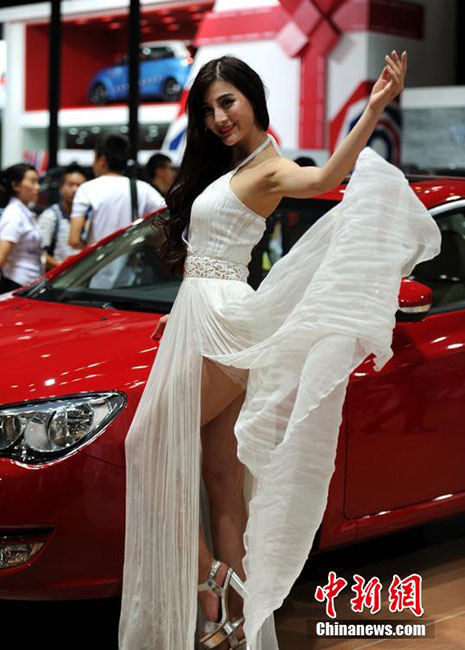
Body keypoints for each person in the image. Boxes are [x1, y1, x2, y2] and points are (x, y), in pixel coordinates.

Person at [118, 52, 439, 650]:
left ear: (253, 100)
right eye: (208, 109)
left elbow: (325, 179)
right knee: (221, 476)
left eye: (228, 102)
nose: (218, 118)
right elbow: (208, 257)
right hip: (201, 312)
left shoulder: (271, 167)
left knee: (149, 445)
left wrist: (373, 109)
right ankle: (236, 623)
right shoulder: (233, 167)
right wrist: (179, 310)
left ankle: (209, 575)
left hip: (224, 322)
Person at [69, 133, 165, 250]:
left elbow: (74, 240)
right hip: (130, 258)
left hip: (100, 259)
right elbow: (167, 215)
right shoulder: (143, 189)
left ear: (102, 160)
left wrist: (92, 249)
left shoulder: (86, 189)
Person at [0, 163, 44, 294]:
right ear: (15, 185)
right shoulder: (14, 215)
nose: (37, 187)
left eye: (37, 182)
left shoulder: (23, 212)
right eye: (32, 182)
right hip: (16, 284)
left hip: (29, 284)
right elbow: (1, 257)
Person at [38, 163, 87, 269]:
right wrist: (64, 268)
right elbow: (39, 254)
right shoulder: (51, 216)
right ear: (61, 188)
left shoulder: (89, 216)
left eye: (79, 186)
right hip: (59, 276)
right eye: (70, 185)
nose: (75, 190)